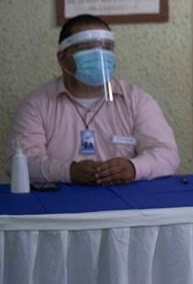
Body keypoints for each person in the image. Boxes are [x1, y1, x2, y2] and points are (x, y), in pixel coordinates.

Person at [7, 14, 179, 185]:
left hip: (127, 203)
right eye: (87, 47)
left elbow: (167, 155)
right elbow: (20, 164)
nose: (100, 55)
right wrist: (68, 171)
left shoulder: (136, 100)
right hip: (59, 205)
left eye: (107, 47)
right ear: (61, 59)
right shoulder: (36, 104)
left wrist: (133, 168)